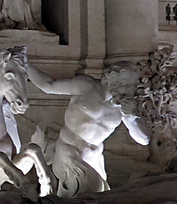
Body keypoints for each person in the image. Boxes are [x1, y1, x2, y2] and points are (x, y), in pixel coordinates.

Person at [25, 60, 150, 196]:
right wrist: (24, 63)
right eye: (125, 83)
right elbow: (48, 86)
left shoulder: (125, 106)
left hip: (94, 157)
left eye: (131, 85)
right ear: (113, 77)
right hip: (69, 150)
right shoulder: (87, 86)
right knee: (87, 195)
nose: (128, 89)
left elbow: (144, 140)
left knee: (100, 198)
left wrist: (132, 118)